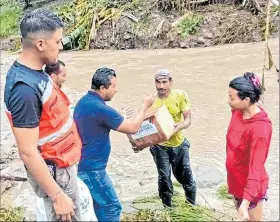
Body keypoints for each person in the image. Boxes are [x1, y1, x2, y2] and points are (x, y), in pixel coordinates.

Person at [3, 9, 82, 221]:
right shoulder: (24, 90)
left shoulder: (37, 72)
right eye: (57, 41)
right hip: (56, 174)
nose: (61, 46)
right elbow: (27, 151)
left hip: (62, 165)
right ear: (40, 44)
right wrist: (57, 196)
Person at [73, 67, 156, 221]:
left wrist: (122, 117)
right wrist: (145, 105)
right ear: (103, 88)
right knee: (112, 207)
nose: (116, 90)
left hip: (82, 166)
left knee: (97, 208)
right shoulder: (100, 109)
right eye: (114, 86)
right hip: (93, 170)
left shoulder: (85, 101)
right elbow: (132, 128)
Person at [134, 69, 197, 207]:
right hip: (159, 146)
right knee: (164, 178)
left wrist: (179, 126)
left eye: (164, 82)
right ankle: (167, 208)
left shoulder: (180, 95)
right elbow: (143, 125)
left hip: (179, 144)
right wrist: (138, 143)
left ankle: (191, 205)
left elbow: (188, 120)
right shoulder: (150, 99)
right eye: (158, 82)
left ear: (171, 82)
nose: (161, 86)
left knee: (186, 176)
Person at [226, 72, 272, 221]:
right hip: (235, 182)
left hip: (250, 191)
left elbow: (256, 169)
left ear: (246, 100)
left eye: (232, 98)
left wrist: (245, 204)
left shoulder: (259, 130)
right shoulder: (238, 112)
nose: (228, 101)